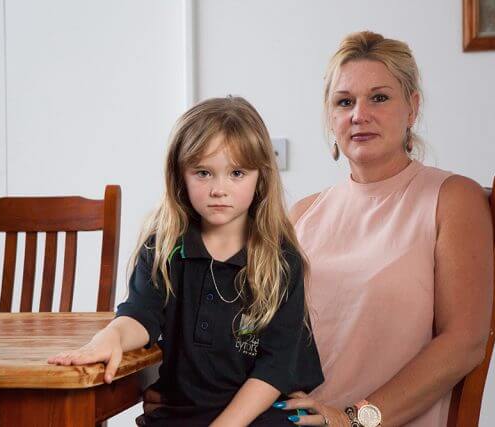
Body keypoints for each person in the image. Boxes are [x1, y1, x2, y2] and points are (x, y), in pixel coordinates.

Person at [48, 96, 324, 426]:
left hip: (254, 416)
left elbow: (276, 367)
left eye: (236, 173)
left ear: (260, 177)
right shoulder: (164, 247)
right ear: (180, 176)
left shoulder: (280, 261)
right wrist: (111, 337)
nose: (219, 189)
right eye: (204, 173)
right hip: (178, 415)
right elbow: (140, 313)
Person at [274, 31, 494, 426]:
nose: (359, 114)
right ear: (330, 117)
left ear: (412, 108)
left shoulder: (453, 198)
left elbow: (466, 342)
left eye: (379, 97)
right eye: (345, 102)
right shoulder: (302, 214)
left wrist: (355, 420)